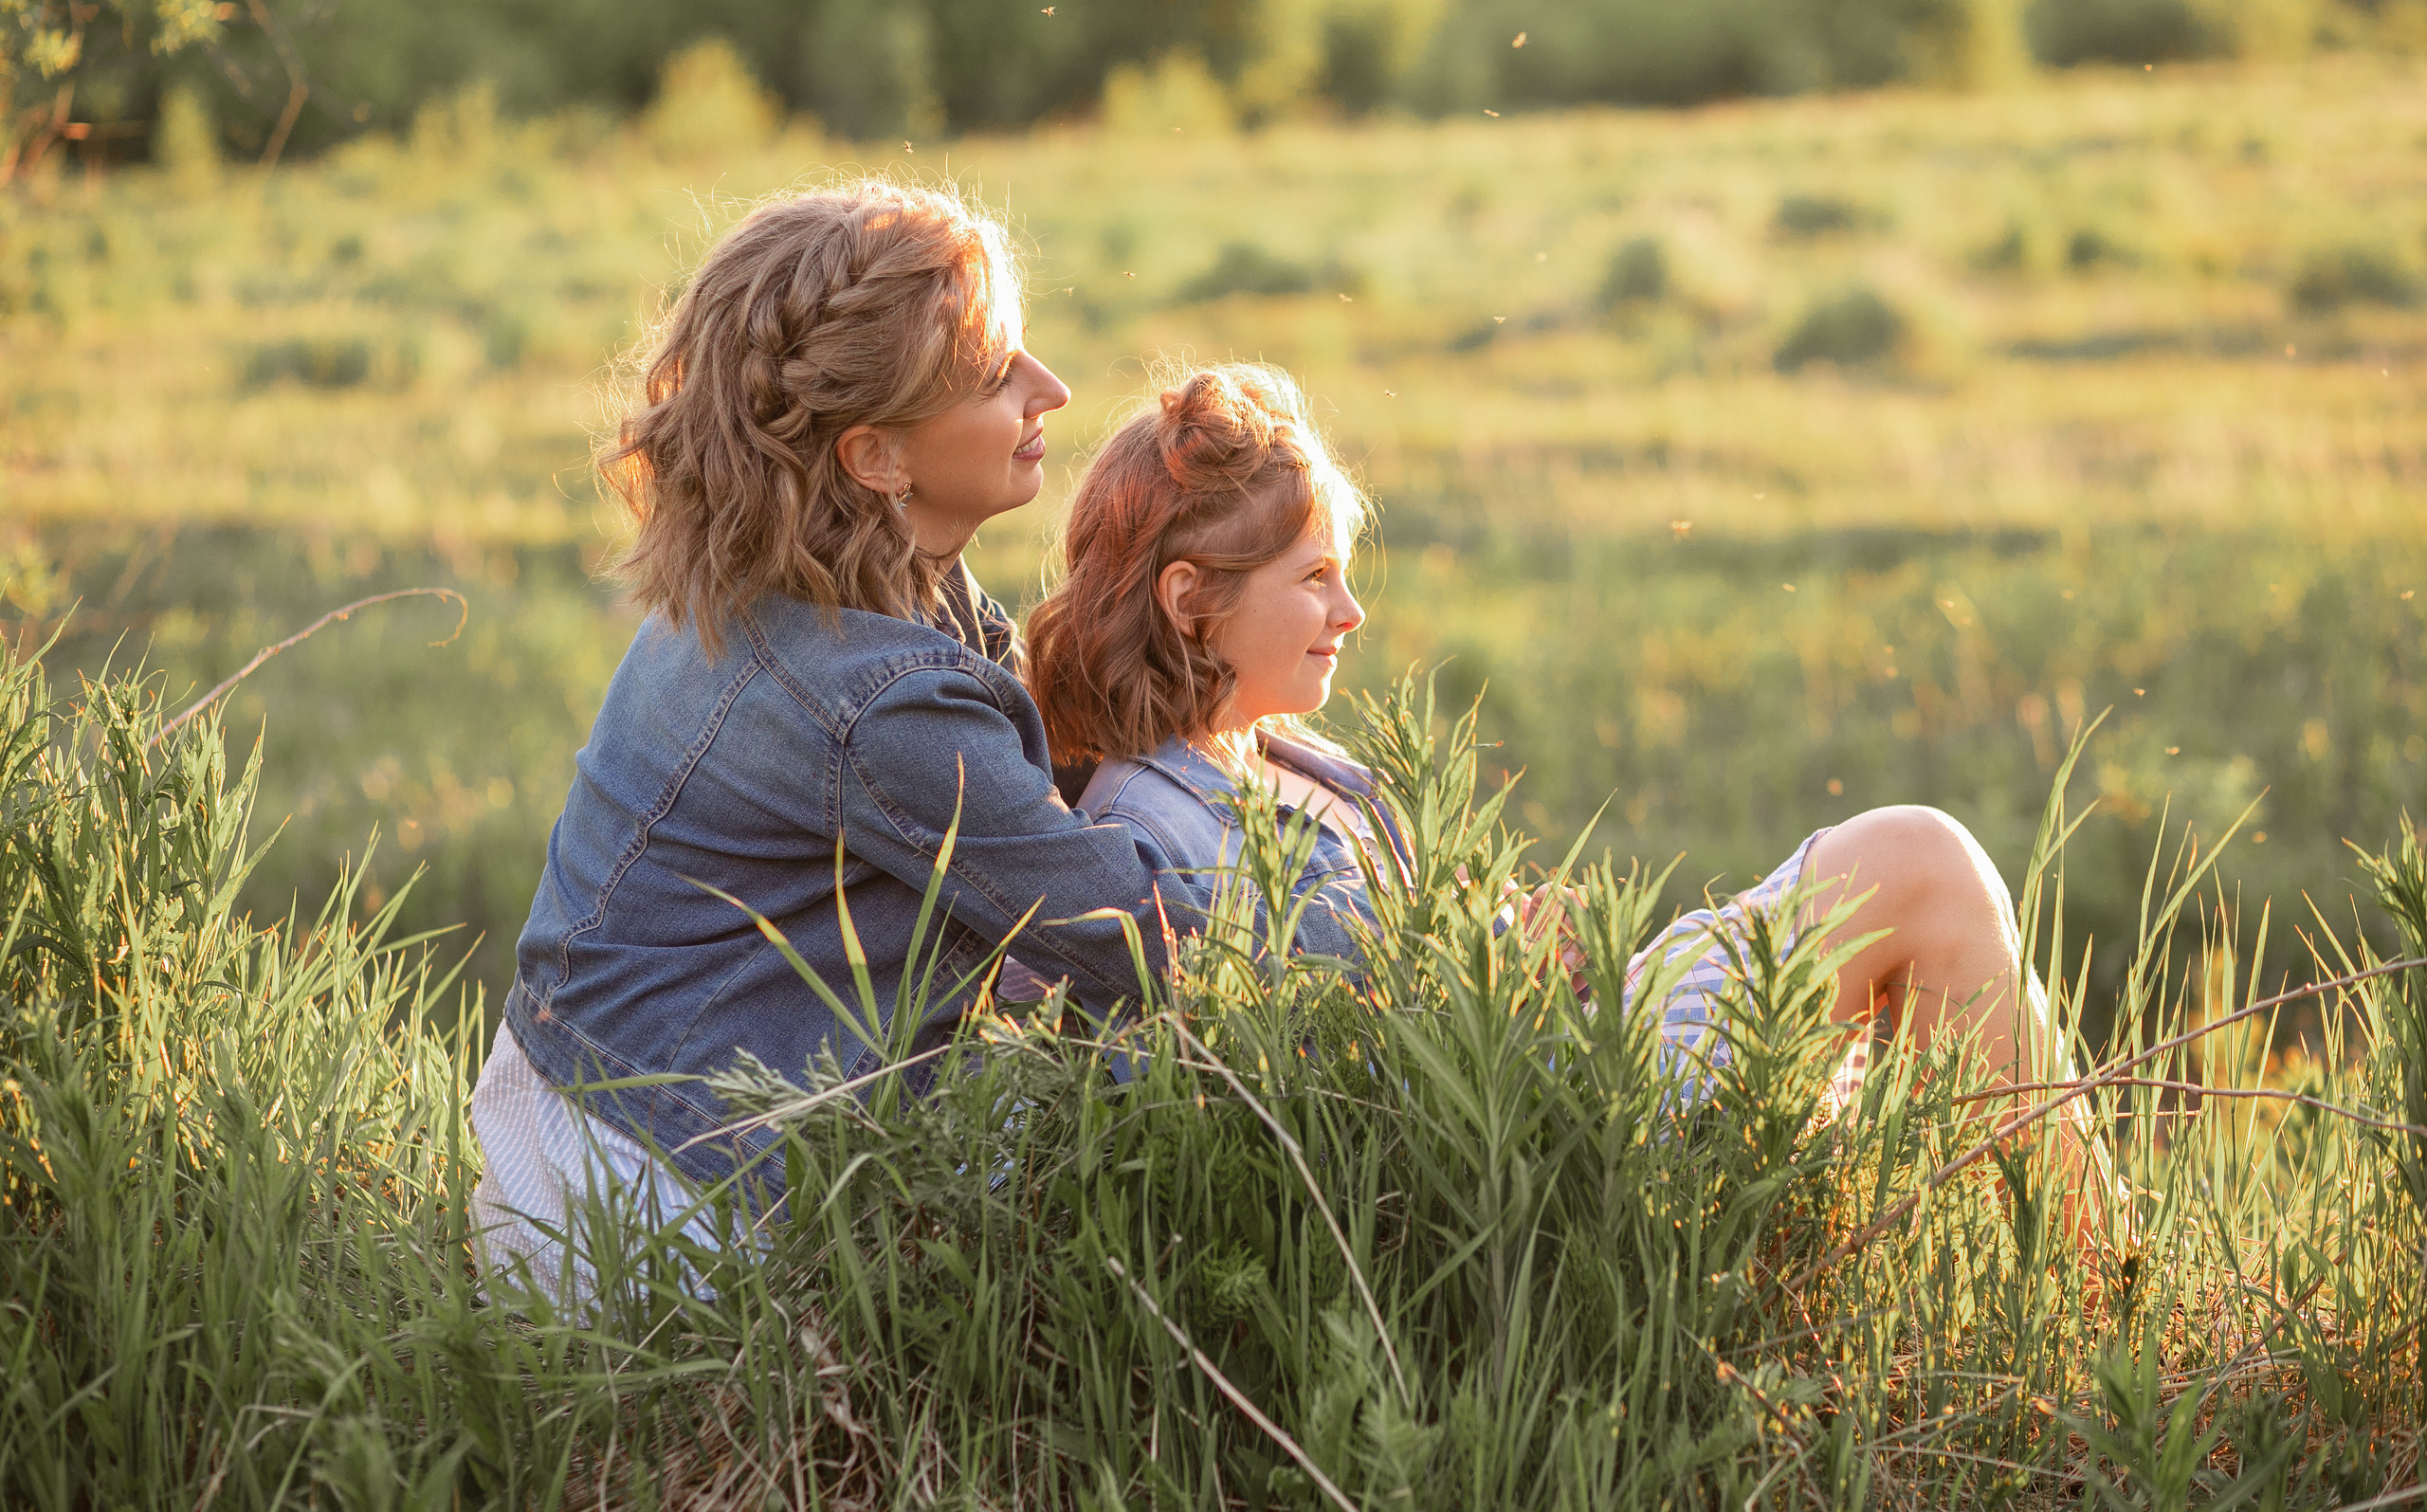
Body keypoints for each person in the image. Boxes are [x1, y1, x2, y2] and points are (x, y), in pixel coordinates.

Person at [1023, 362, 2121, 1256]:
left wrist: (1500, 943)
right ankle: (2094, 1283)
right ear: (1189, 602)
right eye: (1313, 578)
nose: (1351, 611)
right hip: (1551, 1154)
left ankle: (2059, 1270)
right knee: (1915, 860)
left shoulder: (1283, 757)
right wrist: (1499, 977)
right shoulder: (1156, 834)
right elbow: (1321, 1106)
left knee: (1915, 864)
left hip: (1567, 1065)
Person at [467, 182, 1201, 1298]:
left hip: (612, 1102)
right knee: (1155, 1151)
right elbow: (1141, 935)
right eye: (996, 373)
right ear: (875, 459)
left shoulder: (815, 587)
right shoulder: (871, 700)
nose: (1049, 390)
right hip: (656, 1203)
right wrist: (1409, 935)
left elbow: (1045, 798)